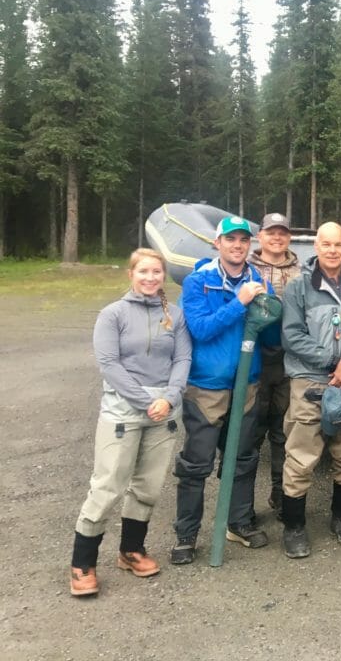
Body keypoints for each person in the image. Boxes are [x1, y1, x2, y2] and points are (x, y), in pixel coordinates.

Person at [70, 249, 192, 596]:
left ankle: (132, 551)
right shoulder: (113, 314)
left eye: (156, 272)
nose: (150, 277)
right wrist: (146, 400)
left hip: (163, 413)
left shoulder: (175, 316)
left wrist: (169, 398)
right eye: (144, 271)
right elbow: (109, 364)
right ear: (131, 274)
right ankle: (82, 564)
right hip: (123, 412)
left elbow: (183, 358)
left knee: (148, 486)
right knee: (108, 486)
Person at [171, 216, 273, 565]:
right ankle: (187, 536)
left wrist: (273, 313)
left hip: (247, 383)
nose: (237, 245)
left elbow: (268, 332)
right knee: (195, 464)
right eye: (231, 240)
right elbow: (200, 330)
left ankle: (238, 523)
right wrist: (240, 303)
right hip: (207, 387)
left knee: (243, 459)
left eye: (243, 240)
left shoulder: (258, 280)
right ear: (218, 243)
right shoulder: (198, 283)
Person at [278, 222, 341, 558]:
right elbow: (292, 336)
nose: (332, 250)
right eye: (326, 244)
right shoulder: (298, 287)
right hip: (310, 382)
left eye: (338, 244)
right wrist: (335, 362)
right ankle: (294, 527)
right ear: (316, 247)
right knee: (302, 456)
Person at [249, 212, 301, 514]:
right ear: (261, 236)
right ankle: (243, 504)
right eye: (271, 232)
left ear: (289, 237)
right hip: (254, 359)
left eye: (282, 232)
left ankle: (280, 492)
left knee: (283, 431)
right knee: (252, 430)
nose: (277, 237)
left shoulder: (301, 271)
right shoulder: (247, 268)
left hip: (287, 359)